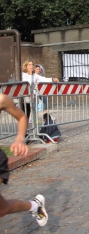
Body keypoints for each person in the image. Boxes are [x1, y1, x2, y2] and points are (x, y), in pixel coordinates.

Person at [0, 93, 48, 226]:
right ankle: (34, 206)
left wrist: (20, 138)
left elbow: (21, 116)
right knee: (2, 209)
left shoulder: (2, 99)